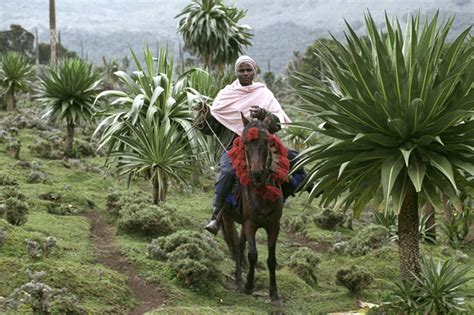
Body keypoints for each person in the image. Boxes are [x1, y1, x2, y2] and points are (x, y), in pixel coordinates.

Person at [195, 55, 297, 235]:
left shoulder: (264, 93)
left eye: (248, 70)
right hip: (233, 147)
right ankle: (215, 214)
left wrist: (263, 113)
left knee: (294, 158)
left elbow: (277, 122)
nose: (245, 73)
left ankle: (296, 192)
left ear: (254, 72)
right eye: (241, 70)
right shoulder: (226, 94)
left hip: (259, 145)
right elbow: (213, 127)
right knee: (227, 172)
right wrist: (204, 116)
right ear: (236, 73)